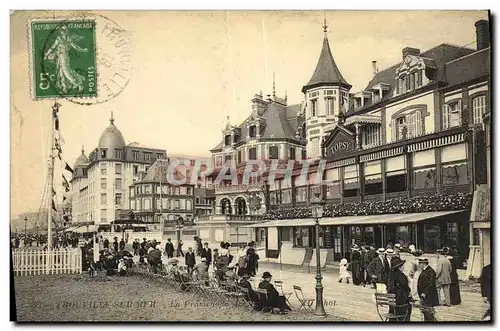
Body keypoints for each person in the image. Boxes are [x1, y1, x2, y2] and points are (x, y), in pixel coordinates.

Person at [387, 257, 412, 321]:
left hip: (392, 303)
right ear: (399, 267)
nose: (403, 267)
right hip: (400, 303)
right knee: (409, 306)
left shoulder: (390, 275)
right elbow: (406, 287)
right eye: (402, 265)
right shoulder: (401, 275)